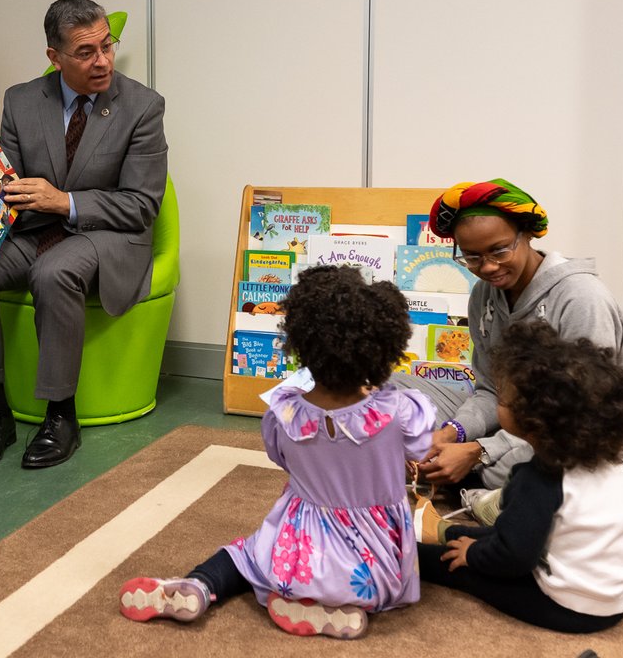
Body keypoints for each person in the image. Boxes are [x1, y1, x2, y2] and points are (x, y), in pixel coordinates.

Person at [119, 266, 435, 639]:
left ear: (299, 342)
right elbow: (421, 447)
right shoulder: (400, 411)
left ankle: (199, 586)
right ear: (386, 348)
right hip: (373, 563)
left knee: (244, 556)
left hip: (294, 552)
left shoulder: (284, 413)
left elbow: (280, 457)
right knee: (379, 583)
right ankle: (337, 608)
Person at [0, 0, 167, 469]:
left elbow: (142, 205)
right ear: (55, 57)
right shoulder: (22, 101)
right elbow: (5, 186)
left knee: (54, 270)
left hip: (108, 237)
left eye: (107, 45)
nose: (102, 60)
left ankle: (60, 416)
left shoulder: (143, 106)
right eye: (86, 53)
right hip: (32, 233)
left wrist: (63, 201)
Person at [395, 178, 623, 507]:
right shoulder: (483, 295)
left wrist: (479, 451)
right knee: (391, 391)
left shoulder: (581, 298)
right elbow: (490, 391)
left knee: (533, 473)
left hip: (597, 444)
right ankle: (466, 476)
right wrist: (453, 432)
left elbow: (585, 420)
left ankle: (480, 487)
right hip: (517, 426)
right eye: (472, 258)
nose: (488, 267)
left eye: (499, 250)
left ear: (526, 233)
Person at [419, 319, 623, 633]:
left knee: (445, 563)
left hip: (570, 608)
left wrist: (472, 554)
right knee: (505, 534)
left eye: (501, 401)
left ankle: (410, 551)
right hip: (620, 602)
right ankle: (446, 530)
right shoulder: (621, 471)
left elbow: (513, 557)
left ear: (532, 420)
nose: (498, 404)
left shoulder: (539, 480)